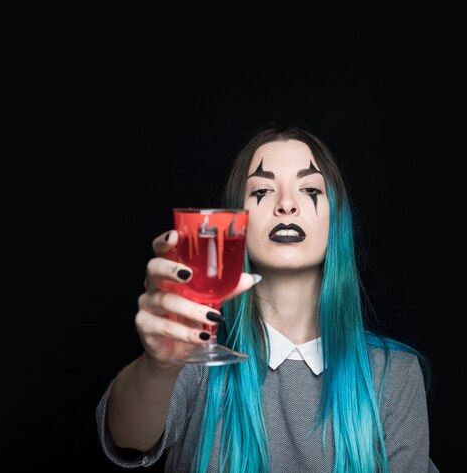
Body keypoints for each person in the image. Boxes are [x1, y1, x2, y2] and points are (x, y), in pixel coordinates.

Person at [96, 123, 439, 472]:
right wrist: (158, 365)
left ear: (336, 221)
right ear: (235, 222)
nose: (286, 205)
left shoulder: (394, 375)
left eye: (309, 189)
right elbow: (128, 438)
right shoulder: (195, 357)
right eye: (261, 192)